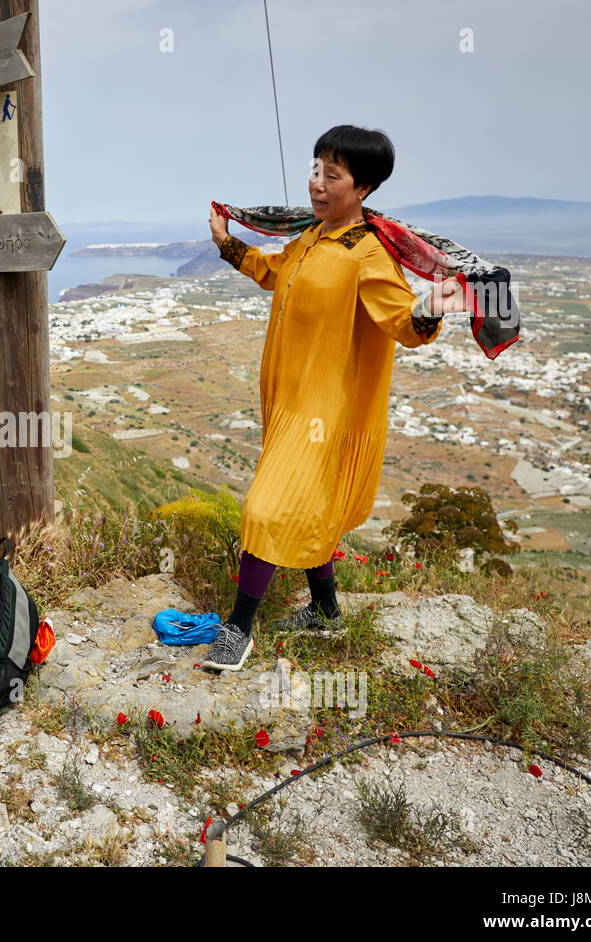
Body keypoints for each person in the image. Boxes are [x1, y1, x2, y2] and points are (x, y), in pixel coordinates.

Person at [201, 125, 464, 673]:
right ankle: (325, 612)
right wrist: (228, 244)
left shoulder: (368, 253)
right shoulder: (313, 237)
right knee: (309, 504)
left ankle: (237, 631)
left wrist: (431, 308)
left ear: (363, 187)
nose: (317, 184)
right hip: (287, 397)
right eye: (315, 169)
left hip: (325, 410)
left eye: (333, 175)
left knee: (267, 508)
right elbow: (275, 272)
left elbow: (401, 323)